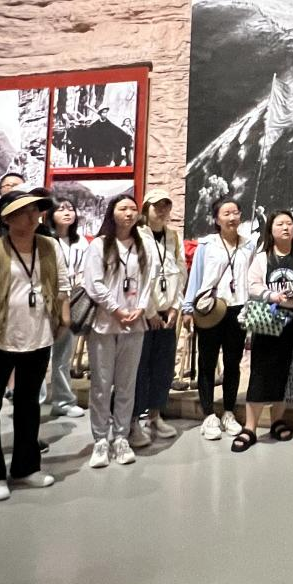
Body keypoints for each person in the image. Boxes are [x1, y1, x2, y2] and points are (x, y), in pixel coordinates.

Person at [0, 190, 69, 501]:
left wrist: (63, 318)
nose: (32, 216)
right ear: (7, 218)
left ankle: (26, 467)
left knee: (29, 403)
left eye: (35, 210)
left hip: (39, 336)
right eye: (24, 211)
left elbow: (63, 284)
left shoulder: (49, 246)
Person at [82, 194, 157, 468]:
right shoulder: (100, 245)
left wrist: (141, 307)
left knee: (127, 384)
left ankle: (121, 437)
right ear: (112, 212)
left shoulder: (144, 245)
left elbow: (149, 279)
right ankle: (100, 439)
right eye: (123, 208)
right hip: (105, 324)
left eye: (133, 209)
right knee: (101, 385)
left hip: (134, 323)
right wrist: (115, 309)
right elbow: (93, 282)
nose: (129, 213)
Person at [233, 211, 293, 452]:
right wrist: (273, 296)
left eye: (289, 223)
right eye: (280, 224)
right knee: (261, 370)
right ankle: (250, 427)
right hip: (268, 317)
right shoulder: (262, 258)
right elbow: (253, 285)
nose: (286, 228)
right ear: (271, 229)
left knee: (286, 370)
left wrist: (292, 298)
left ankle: (278, 420)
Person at [182, 195, 251, 441]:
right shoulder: (207, 245)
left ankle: (229, 412)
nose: (232, 217)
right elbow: (196, 276)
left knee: (233, 362)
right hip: (210, 307)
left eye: (235, 213)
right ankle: (209, 414)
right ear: (217, 219)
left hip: (238, 308)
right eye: (226, 213)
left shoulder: (249, 245)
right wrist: (187, 307)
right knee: (207, 362)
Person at [129, 189, 184, 448]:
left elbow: (180, 272)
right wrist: (150, 311)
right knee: (140, 368)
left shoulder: (173, 237)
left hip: (167, 313)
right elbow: (138, 275)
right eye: (156, 206)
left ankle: (155, 415)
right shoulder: (137, 236)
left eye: (165, 206)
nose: (161, 211)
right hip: (144, 313)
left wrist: (175, 306)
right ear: (146, 209)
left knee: (163, 366)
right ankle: (134, 420)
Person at [44, 195, 87, 419]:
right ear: (51, 215)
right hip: (47, 302)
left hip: (73, 301)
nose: (67, 212)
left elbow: (86, 272)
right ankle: (35, 402)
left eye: (70, 208)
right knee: (40, 357)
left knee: (63, 356)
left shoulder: (81, 242)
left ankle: (63, 401)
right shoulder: (44, 240)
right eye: (61, 209)